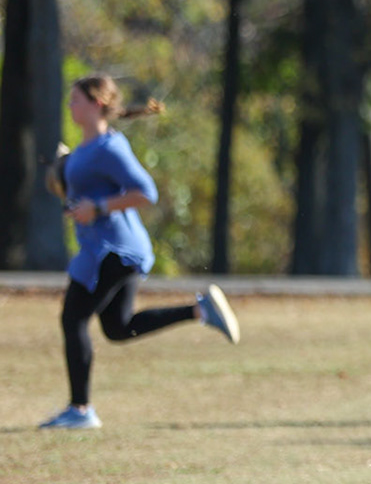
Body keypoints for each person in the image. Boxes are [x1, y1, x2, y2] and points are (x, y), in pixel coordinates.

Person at [38, 76, 239, 431]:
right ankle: (199, 309)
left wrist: (98, 207)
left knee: (73, 319)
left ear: (97, 103)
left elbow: (147, 192)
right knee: (118, 327)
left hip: (111, 250)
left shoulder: (110, 147)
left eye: (76, 101)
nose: (70, 107)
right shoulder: (85, 149)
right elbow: (77, 188)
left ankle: (80, 410)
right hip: (112, 249)